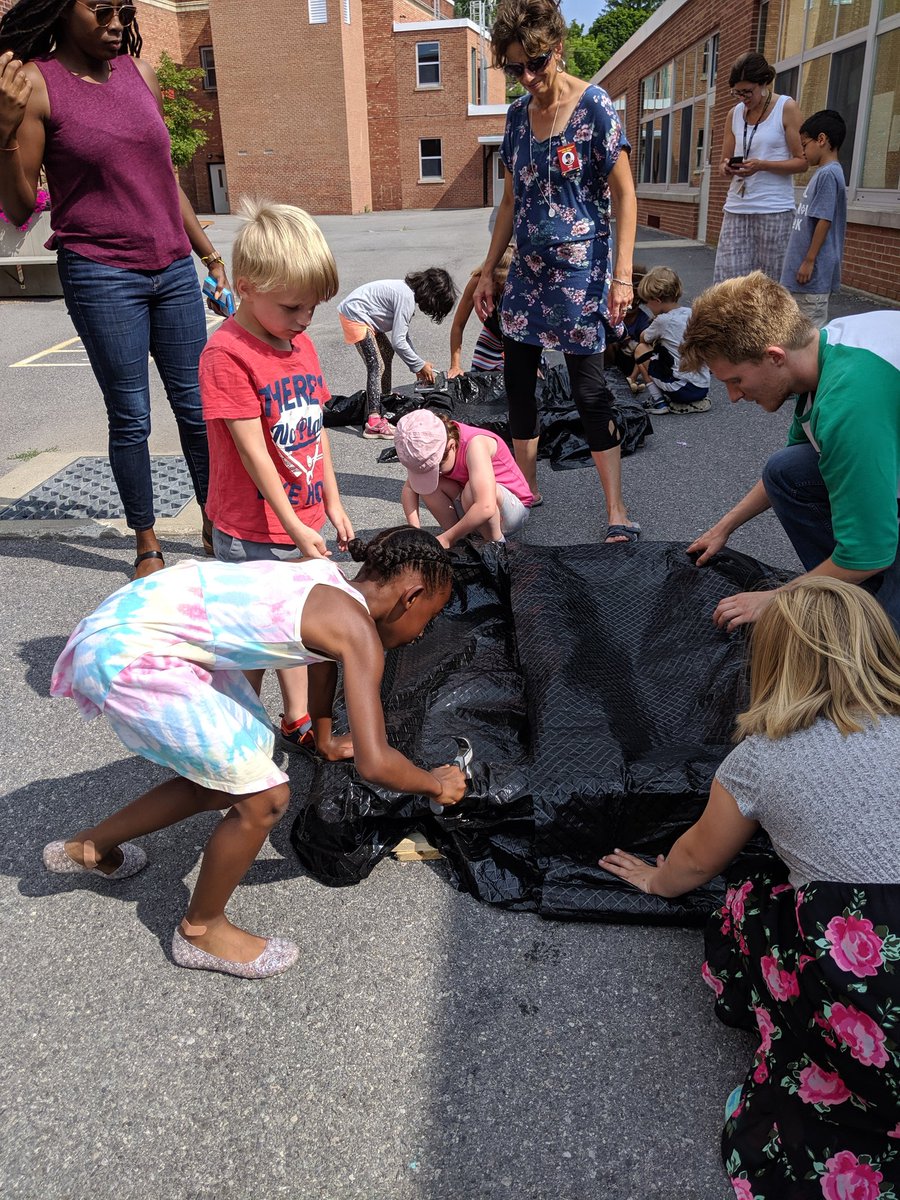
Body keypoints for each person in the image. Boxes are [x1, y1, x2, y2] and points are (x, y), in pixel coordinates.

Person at [43, 527, 468, 979]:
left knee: (236, 773)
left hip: (136, 619)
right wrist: (436, 785)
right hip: (132, 653)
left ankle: (90, 848)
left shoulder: (326, 578)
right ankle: (201, 930)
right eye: (428, 619)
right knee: (264, 798)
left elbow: (322, 662)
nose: (421, 635)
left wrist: (324, 740)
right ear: (411, 597)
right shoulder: (358, 632)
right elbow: (375, 762)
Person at [599, 578, 900, 1198]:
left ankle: (816, 1052)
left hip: (877, 982)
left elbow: (696, 860)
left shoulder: (763, 758)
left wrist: (656, 878)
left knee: (751, 901)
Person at [0, 2, 230, 578]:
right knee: (131, 415)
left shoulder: (139, 73)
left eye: (123, 10)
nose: (115, 22)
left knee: (197, 406)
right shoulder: (36, 85)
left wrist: (207, 253)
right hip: (101, 272)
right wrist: (3, 133)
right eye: (101, 9)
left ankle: (215, 519)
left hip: (172, 268)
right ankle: (146, 539)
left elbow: (165, 178)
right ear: (63, 10)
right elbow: (20, 207)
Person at [472, 0, 640, 544]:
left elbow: (625, 196)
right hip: (526, 274)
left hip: (580, 276)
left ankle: (616, 508)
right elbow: (509, 203)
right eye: (514, 67)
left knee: (589, 391)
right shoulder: (516, 116)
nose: (526, 77)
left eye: (536, 63)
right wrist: (487, 272)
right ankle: (525, 490)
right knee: (519, 384)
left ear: (557, 49)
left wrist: (622, 276)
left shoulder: (595, 106)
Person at [199, 199, 354, 759]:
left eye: (313, 306)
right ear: (246, 287)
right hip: (253, 530)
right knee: (252, 646)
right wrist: (292, 526)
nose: (305, 319)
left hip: (301, 519)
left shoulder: (300, 342)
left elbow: (315, 427)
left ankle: (296, 720)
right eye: (293, 307)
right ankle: (236, 747)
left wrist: (332, 502)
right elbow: (252, 455)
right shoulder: (227, 354)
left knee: (293, 630)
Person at [680, 272, 900, 634]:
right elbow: (794, 460)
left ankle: (858, 596)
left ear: (774, 357)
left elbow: (868, 554)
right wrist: (723, 528)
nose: (734, 397)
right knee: (787, 470)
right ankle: (848, 587)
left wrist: (778, 598)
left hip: (868, 447)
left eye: (735, 381)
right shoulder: (822, 353)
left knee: (883, 641)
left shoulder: (849, 406)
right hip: (875, 440)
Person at [713, 52, 805, 285]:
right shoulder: (734, 114)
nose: (742, 98)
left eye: (747, 91)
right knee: (727, 285)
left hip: (774, 209)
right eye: (737, 92)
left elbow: (802, 161)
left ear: (764, 83)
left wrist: (762, 165)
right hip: (736, 207)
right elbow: (723, 161)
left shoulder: (786, 107)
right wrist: (726, 168)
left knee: (770, 285)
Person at [337, 270, 458, 440]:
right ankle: (373, 422)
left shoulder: (406, 293)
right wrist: (419, 365)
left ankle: (384, 398)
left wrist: (418, 365)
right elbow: (399, 341)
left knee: (387, 353)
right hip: (356, 315)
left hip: (362, 315)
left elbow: (403, 337)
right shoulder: (406, 297)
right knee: (376, 365)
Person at [394, 409, 533, 548]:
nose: (436, 473)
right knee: (428, 486)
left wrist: (446, 539)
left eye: (437, 468)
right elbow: (410, 488)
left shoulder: (476, 445)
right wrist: (415, 532)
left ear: (451, 446)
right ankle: (460, 540)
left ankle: (496, 544)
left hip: (511, 512)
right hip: (474, 510)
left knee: (471, 491)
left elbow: (486, 507)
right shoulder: (433, 444)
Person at [779, 109, 848, 329]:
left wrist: (809, 261)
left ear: (821, 139)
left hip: (812, 281)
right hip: (803, 281)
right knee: (794, 334)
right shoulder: (823, 173)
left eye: (805, 144)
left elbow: (824, 220)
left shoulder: (828, 174)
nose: (802, 151)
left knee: (808, 336)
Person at [627, 266, 710, 415]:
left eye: (647, 302)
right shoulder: (691, 313)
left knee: (641, 349)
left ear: (657, 301)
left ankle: (658, 401)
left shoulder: (663, 320)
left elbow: (643, 338)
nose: (646, 306)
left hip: (681, 389)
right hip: (702, 386)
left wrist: (653, 325)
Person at [448, 247, 513, 377]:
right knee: (483, 380)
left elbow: (537, 326)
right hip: (491, 337)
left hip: (521, 340)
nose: (499, 287)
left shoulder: (522, 285)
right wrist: (455, 366)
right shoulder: (478, 282)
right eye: (495, 281)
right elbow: (458, 325)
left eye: (503, 282)